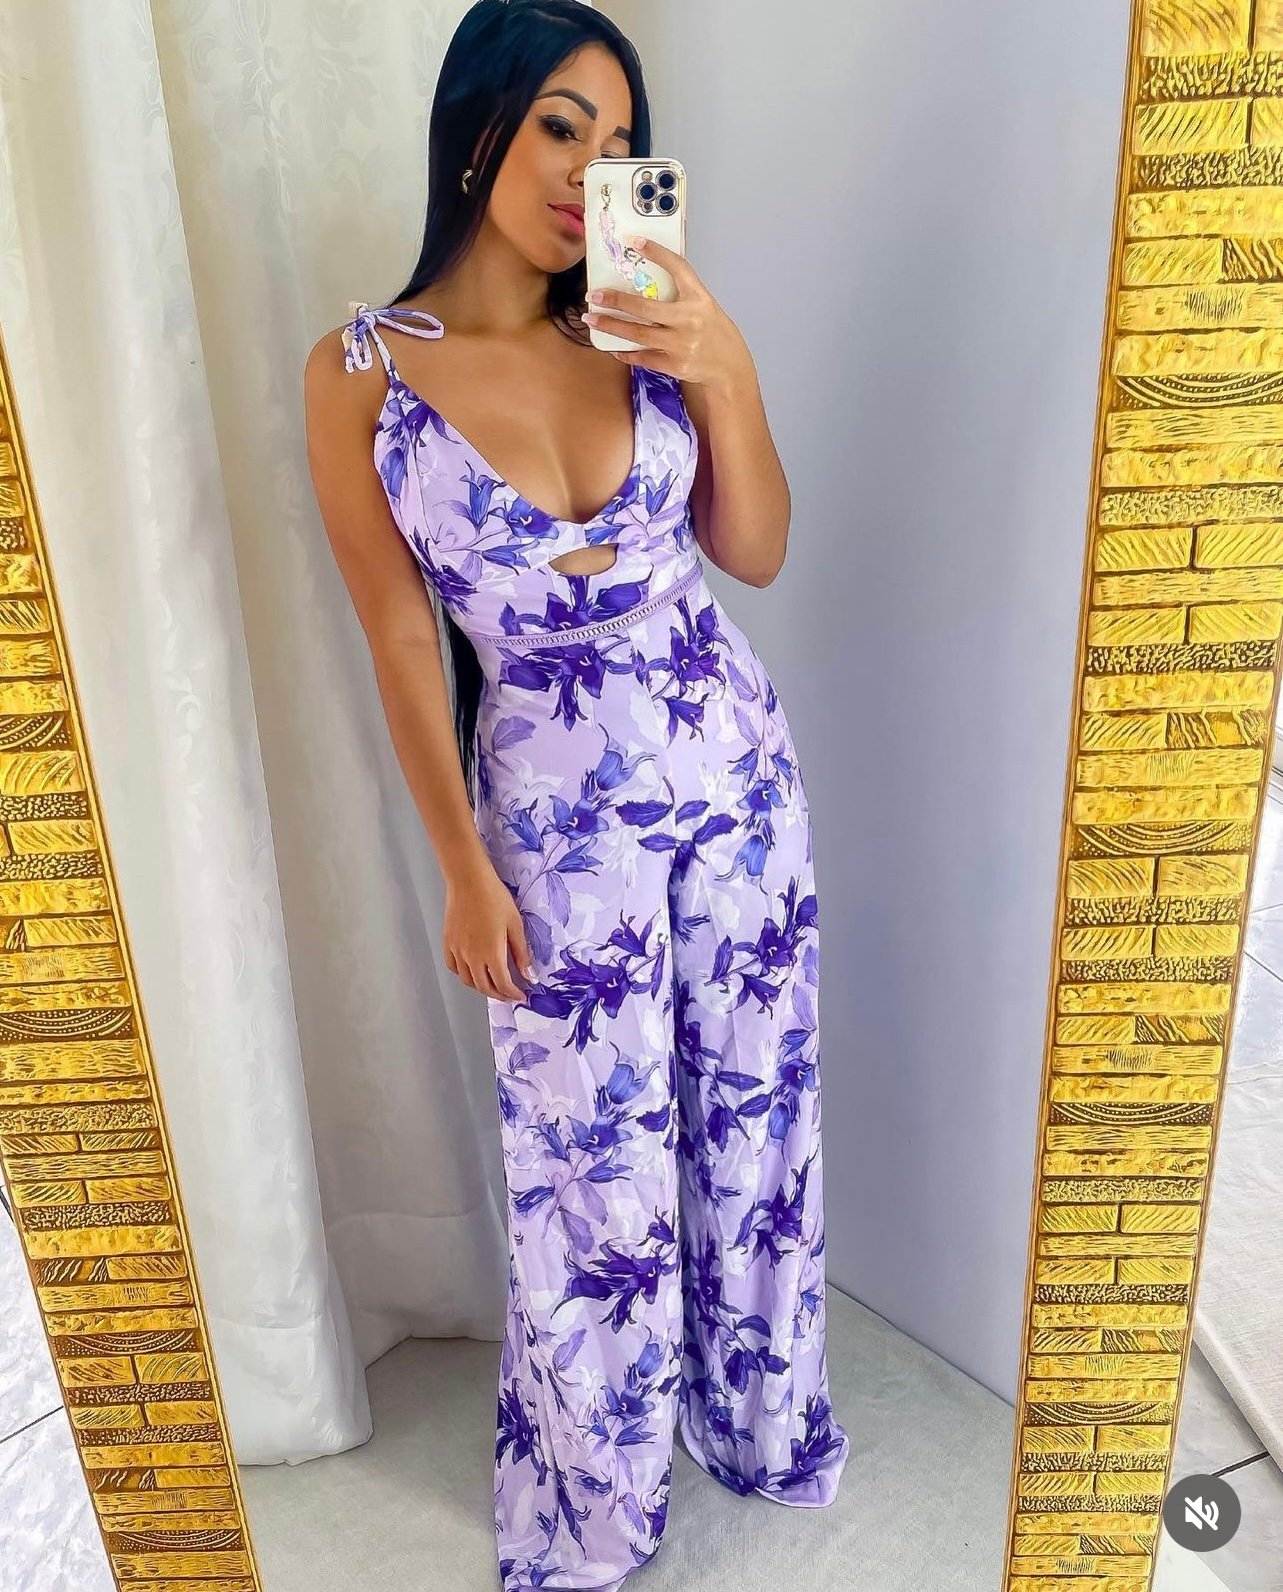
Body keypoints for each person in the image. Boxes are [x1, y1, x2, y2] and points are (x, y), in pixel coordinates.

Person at [303, 3, 849, 1587]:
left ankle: (761, 1424)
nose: (586, 171)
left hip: (736, 784)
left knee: (754, 1118)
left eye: (618, 146)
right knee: (590, 1178)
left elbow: (754, 551)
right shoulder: (358, 373)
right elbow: (400, 634)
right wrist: (463, 870)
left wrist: (726, 367)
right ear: (478, 124)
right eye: (560, 125)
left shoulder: (641, 331)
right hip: (551, 834)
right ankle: (598, 1508)